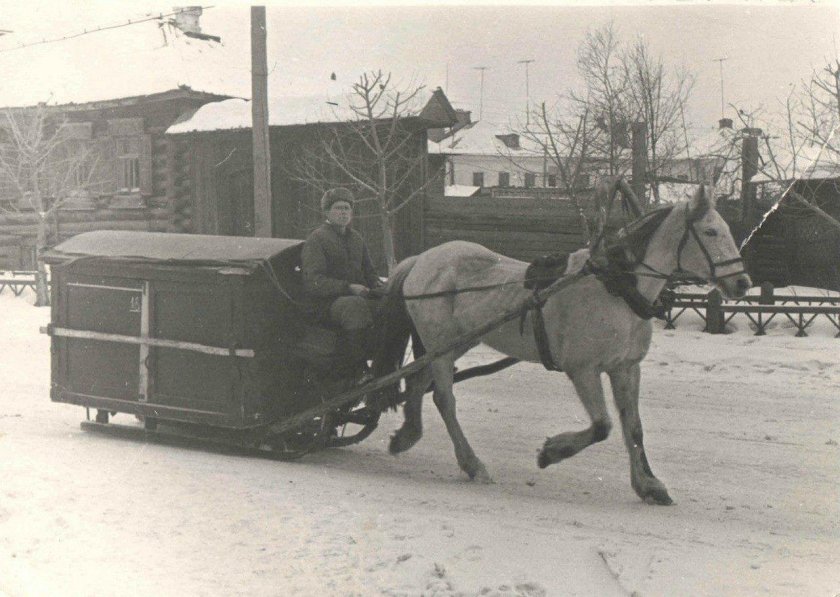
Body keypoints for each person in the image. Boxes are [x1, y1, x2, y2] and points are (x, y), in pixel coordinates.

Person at [301, 188, 383, 369]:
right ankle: (357, 368)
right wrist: (348, 288)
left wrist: (379, 286)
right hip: (324, 304)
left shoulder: (356, 239)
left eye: (347, 208)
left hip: (355, 297)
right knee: (354, 306)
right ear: (327, 212)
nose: (344, 212)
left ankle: (386, 364)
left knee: (391, 305)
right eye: (338, 208)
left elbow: (370, 272)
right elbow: (314, 281)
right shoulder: (317, 239)